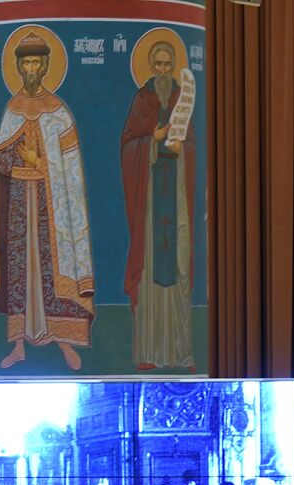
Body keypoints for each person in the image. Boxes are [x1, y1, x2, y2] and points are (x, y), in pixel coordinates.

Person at [0, 28, 95, 370]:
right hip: (19, 201)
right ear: (19, 68)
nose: (31, 69)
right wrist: (0, 156)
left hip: (51, 205)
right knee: (20, 271)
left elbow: (70, 169)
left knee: (51, 271)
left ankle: (64, 341)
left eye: (36, 62)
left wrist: (40, 162)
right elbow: (4, 158)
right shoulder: (12, 110)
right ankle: (18, 344)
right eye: (26, 63)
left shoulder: (58, 113)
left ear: (45, 66)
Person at [121, 38, 198, 371]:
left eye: (169, 64)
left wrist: (184, 150)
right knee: (152, 271)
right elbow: (127, 145)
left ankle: (181, 350)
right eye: (160, 64)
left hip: (176, 195)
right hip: (152, 200)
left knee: (179, 262)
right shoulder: (143, 99)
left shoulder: (183, 97)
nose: (164, 70)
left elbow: (194, 145)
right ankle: (150, 352)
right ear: (152, 66)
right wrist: (151, 141)